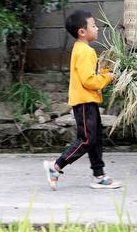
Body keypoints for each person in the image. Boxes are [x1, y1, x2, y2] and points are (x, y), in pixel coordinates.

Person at [43, 10, 121, 190]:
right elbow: (89, 80)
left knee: (95, 139)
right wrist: (108, 78)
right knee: (87, 139)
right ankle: (56, 166)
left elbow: (92, 73)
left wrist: (106, 71)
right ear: (82, 32)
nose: (97, 28)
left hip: (87, 101)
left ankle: (99, 175)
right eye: (93, 25)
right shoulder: (86, 51)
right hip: (85, 102)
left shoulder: (81, 49)